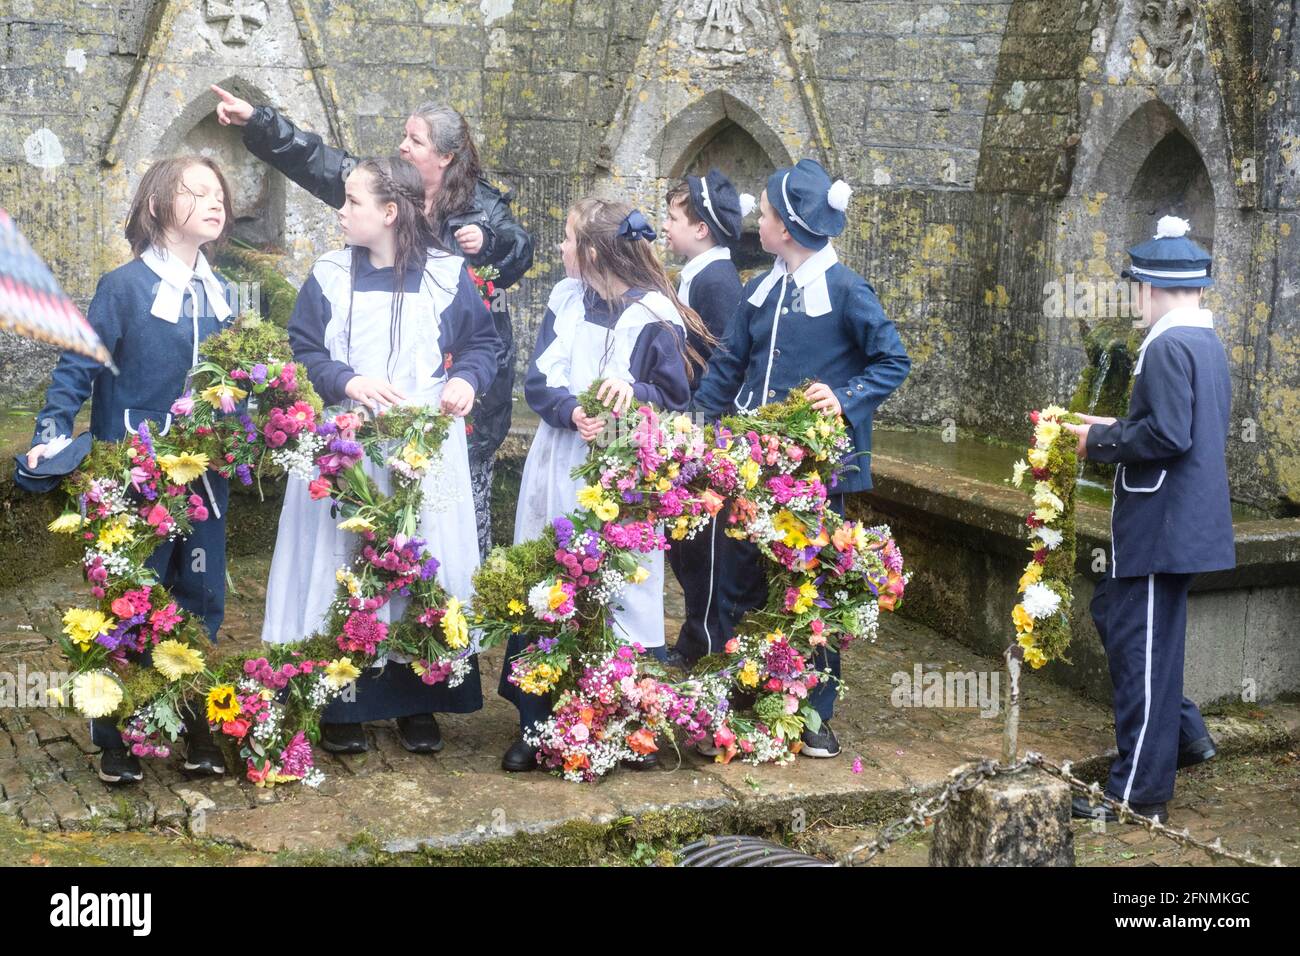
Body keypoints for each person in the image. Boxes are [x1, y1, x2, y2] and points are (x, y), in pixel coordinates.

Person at [212, 85, 533, 557]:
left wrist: (485, 241)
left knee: (448, 529)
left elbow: (517, 252)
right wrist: (259, 119)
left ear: (444, 157)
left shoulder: (481, 209)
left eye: (415, 140)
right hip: (361, 414)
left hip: (454, 403)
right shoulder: (371, 197)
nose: (402, 146)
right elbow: (316, 160)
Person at [261, 156, 500, 756]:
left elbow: (482, 343)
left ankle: (418, 697)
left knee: (421, 563)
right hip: (348, 442)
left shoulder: (448, 273)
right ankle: (342, 699)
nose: (341, 212)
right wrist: (345, 380)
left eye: (352, 202)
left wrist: (466, 380)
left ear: (389, 213)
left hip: (423, 444)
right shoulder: (328, 274)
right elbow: (304, 347)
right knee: (343, 559)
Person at [24, 156, 236, 784]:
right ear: (155, 207)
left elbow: (235, 380)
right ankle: (114, 734)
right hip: (134, 477)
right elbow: (77, 364)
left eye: (218, 192)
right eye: (194, 192)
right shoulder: (123, 286)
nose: (213, 201)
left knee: (199, 599)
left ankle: (192, 721)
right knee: (127, 603)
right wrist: (54, 428)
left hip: (203, 480)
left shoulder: (221, 291)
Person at [691, 158, 911, 759]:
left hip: (813, 476)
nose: (753, 221)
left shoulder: (845, 290)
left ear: (785, 227)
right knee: (737, 578)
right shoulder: (763, 285)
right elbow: (727, 366)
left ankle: (813, 714)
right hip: (748, 465)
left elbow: (892, 360)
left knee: (810, 590)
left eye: (761, 213)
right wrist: (698, 431)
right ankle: (742, 697)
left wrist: (844, 398)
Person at [500, 198, 714, 772]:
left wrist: (630, 398)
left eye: (568, 240)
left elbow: (674, 400)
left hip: (621, 479)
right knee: (549, 583)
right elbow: (539, 377)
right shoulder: (565, 299)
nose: (561, 250)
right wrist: (572, 410)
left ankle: (622, 724)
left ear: (593, 251)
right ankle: (537, 721)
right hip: (559, 459)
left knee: (619, 590)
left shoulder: (655, 316)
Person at [1064, 216, 1231, 825]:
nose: (1132, 299)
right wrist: (1104, 431)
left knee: (1141, 656)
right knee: (1117, 617)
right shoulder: (1204, 342)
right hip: (1179, 526)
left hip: (1161, 528)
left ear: (1154, 288)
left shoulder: (1166, 345)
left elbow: (1166, 433)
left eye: (1135, 287)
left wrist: (1098, 443)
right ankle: (1184, 735)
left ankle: (1136, 795)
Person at [659, 168, 749, 668]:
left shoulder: (716, 282)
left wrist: (699, 423)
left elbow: (722, 363)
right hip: (686, 425)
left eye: (673, 218)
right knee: (686, 545)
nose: (665, 226)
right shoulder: (697, 274)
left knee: (700, 548)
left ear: (701, 229)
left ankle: (703, 640)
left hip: (703, 431)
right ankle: (696, 636)